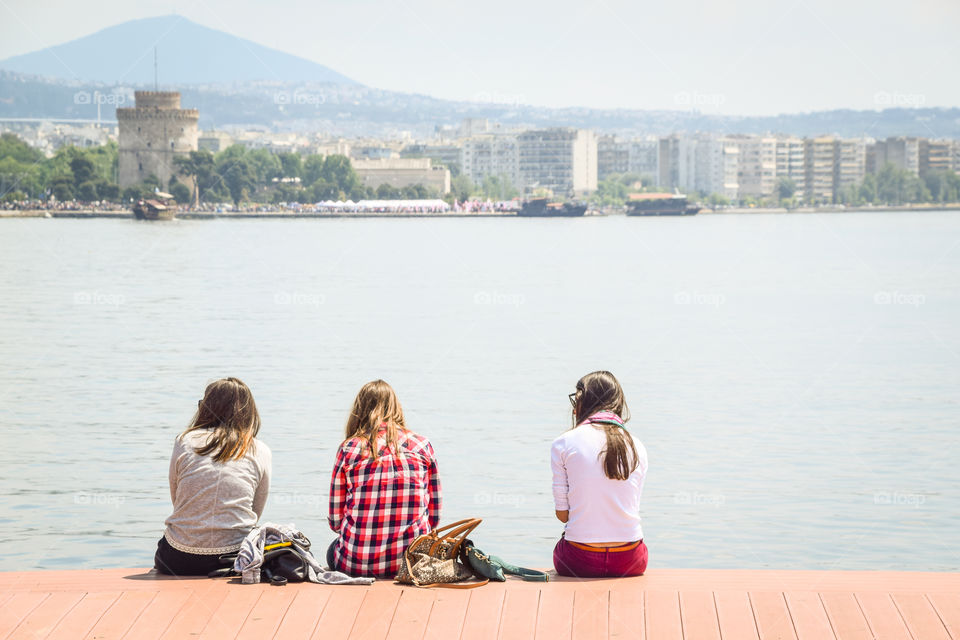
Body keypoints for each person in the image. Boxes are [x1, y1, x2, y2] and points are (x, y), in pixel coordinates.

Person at [154, 377, 271, 576]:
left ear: (205, 408)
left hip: (176, 559)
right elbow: (256, 510)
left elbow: (177, 498)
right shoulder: (259, 449)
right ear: (249, 412)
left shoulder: (185, 440)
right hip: (235, 558)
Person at [327, 380, 441, 578]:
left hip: (356, 564)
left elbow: (336, 522)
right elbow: (434, 517)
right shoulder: (422, 445)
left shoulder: (349, 448)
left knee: (332, 550)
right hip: (413, 564)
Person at [551, 371, 648, 578]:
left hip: (578, 561)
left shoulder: (563, 443)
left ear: (582, 403)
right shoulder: (637, 445)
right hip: (631, 560)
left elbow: (562, 516)